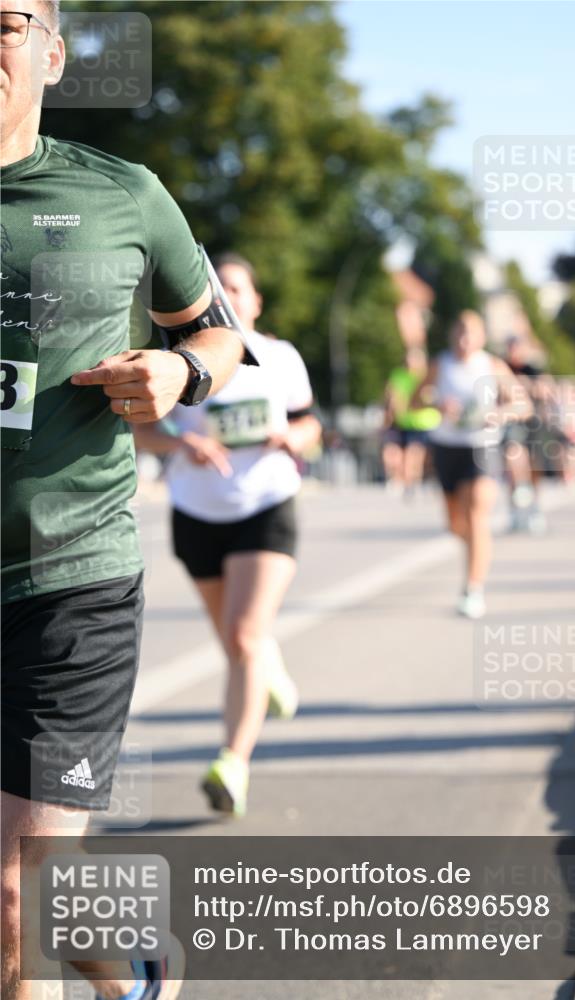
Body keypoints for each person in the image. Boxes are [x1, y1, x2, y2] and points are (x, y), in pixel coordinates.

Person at [1, 4, 256, 998]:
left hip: (69, 577)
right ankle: (128, 947)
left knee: (16, 905)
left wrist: (180, 373)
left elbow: (219, 333)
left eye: (5, 23)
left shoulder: (123, 194)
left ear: (52, 55)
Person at [133, 254, 321, 818]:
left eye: (238, 288)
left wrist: (294, 439)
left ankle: (232, 763)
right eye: (219, 289)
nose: (229, 297)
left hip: (266, 505)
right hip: (196, 511)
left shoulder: (281, 358)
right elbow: (143, 430)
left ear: (256, 301)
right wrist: (181, 445)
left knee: (241, 636)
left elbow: (311, 421)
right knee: (238, 640)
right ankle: (269, 667)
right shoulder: (181, 360)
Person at [415, 310, 530, 619]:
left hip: (483, 447)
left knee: (478, 513)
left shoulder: (492, 366)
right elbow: (414, 400)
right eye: (460, 333)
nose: (464, 340)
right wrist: (436, 403)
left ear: (481, 337)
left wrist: (502, 413)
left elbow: (524, 405)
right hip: (447, 447)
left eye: (471, 333)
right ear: (452, 335)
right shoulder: (441, 365)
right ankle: (475, 549)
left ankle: (473, 588)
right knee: (456, 524)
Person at [502, 335, 548, 533]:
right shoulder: (502, 367)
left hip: (532, 422)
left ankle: (535, 508)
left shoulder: (532, 370)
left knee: (534, 467)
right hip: (511, 421)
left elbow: (545, 390)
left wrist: (528, 386)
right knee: (512, 455)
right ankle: (514, 510)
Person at [381, 346, 440, 497]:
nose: (411, 361)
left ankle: (417, 480)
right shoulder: (399, 375)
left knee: (420, 456)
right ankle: (408, 482)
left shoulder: (428, 375)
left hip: (427, 423)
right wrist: (390, 412)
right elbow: (390, 395)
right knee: (409, 454)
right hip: (406, 423)